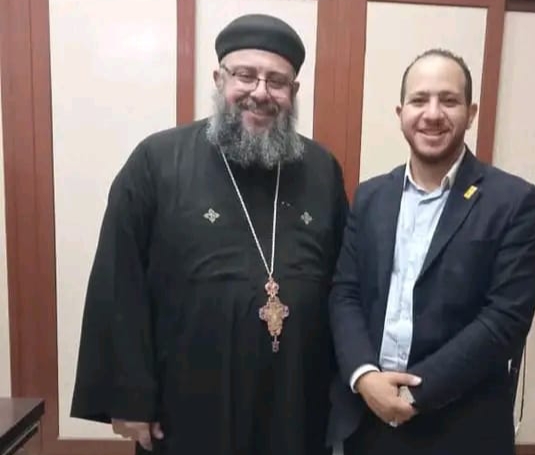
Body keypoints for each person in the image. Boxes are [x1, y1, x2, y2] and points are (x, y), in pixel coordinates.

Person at [70, 13, 348, 455]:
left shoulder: (321, 169)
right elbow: (118, 281)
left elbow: (344, 286)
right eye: (245, 75)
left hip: (296, 400)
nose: (261, 92)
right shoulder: (157, 160)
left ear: (293, 92)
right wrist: (129, 397)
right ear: (219, 80)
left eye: (277, 81)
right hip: (187, 402)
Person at [327, 49, 535, 455]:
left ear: (471, 112)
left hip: (462, 427)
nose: (432, 114)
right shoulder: (371, 196)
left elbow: (504, 319)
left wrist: (412, 395)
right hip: (369, 424)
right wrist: (364, 376)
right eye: (419, 100)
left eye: (449, 100)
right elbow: (345, 293)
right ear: (401, 113)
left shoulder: (513, 201)